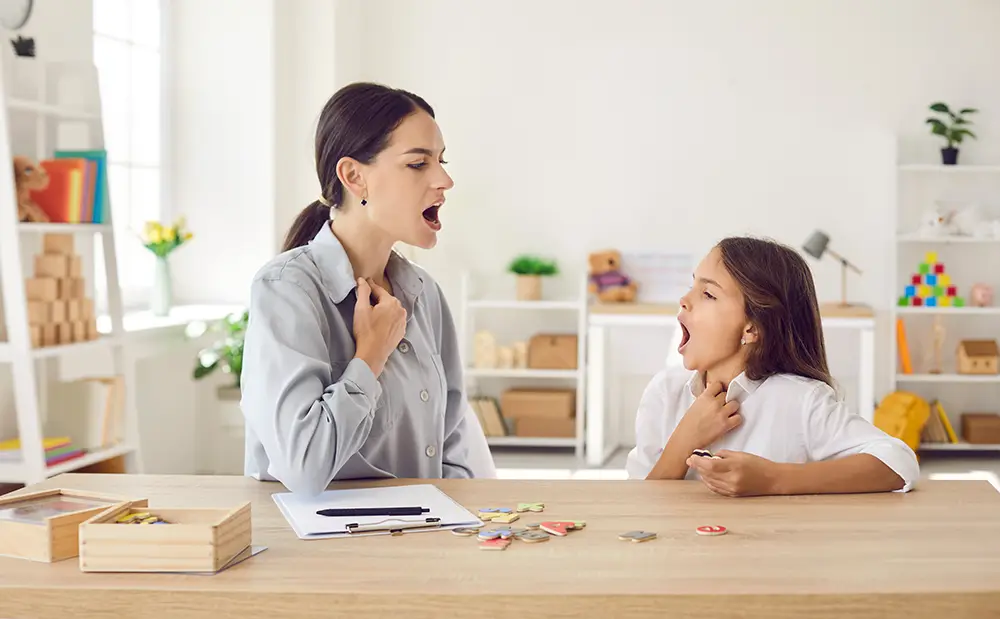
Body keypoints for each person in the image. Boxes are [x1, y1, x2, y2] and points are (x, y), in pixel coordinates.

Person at [240, 82, 495, 495]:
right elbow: (302, 469)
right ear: (354, 176)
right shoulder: (285, 290)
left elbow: (452, 442)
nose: (444, 179)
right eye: (418, 164)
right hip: (321, 554)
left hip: (424, 542)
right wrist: (369, 357)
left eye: (442, 161)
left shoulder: (423, 292)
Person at [626, 236, 919, 496]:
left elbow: (897, 461)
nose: (684, 300)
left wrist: (774, 479)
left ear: (751, 329)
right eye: (692, 286)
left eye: (708, 294)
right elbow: (640, 505)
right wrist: (683, 441)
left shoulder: (802, 400)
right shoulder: (664, 392)